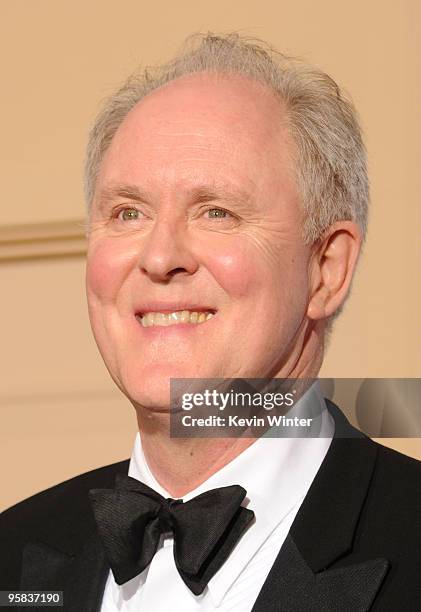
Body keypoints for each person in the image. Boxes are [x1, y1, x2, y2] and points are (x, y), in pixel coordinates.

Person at [1, 33, 420, 611]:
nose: (158, 256)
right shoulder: (12, 552)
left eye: (216, 212)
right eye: (128, 212)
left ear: (326, 268)